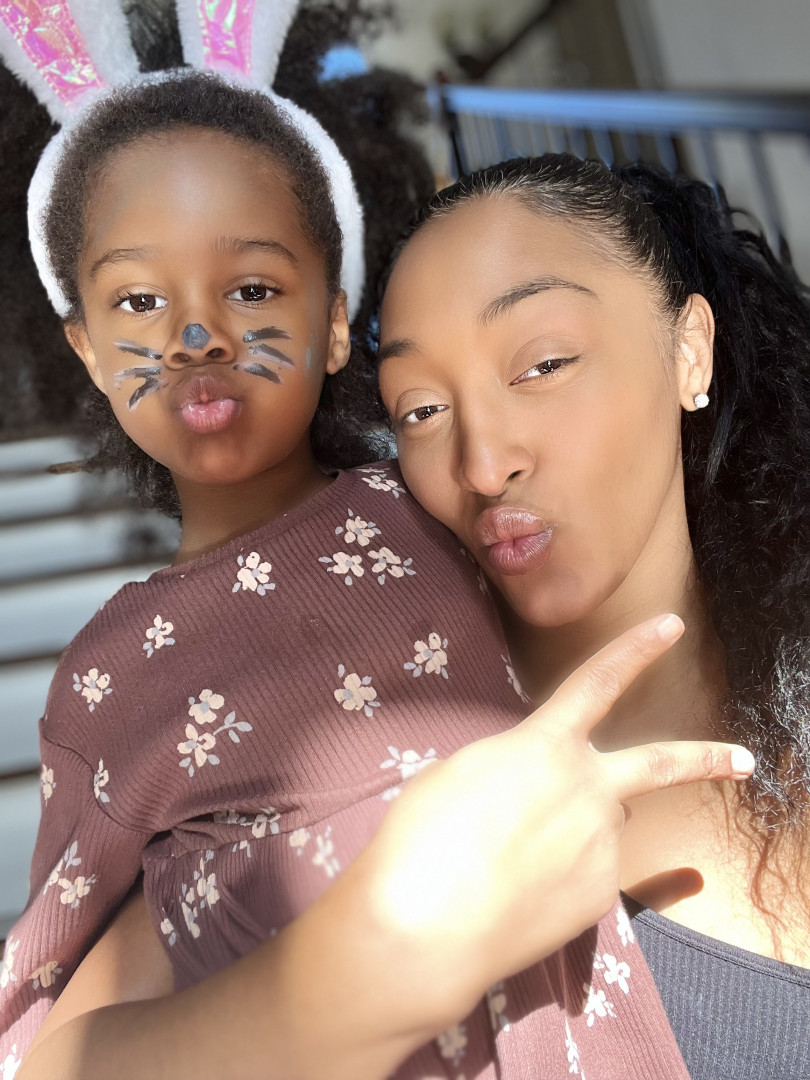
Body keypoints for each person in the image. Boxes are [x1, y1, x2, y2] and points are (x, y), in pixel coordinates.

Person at [0, 4, 754, 1078]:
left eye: (252, 288)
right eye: (136, 300)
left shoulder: (436, 516)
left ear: (334, 321)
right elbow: (46, 1041)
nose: (196, 335)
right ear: (82, 345)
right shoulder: (107, 681)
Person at [377, 154, 810, 1080]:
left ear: (689, 351)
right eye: (421, 409)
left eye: (542, 365)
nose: (483, 463)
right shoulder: (388, 787)